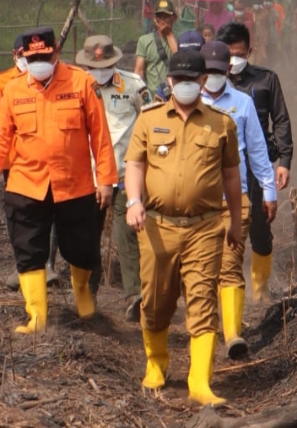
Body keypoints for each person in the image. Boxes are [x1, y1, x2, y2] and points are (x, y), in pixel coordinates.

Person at [0, 27, 118, 334]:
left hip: (74, 183)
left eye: (44, 57)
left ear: (56, 54)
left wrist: (105, 180)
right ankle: (37, 316)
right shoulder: (13, 91)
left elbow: (101, 137)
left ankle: (83, 298)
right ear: (23, 57)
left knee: (81, 246)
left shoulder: (82, 83)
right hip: (26, 183)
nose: (38, 62)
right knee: (29, 248)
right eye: (32, 57)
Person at [123, 50, 242, 405]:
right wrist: (133, 202)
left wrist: (235, 222)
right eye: (180, 80)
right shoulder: (149, 119)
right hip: (157, 227)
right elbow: (135, 164)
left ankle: (199, 382)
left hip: (205, 229)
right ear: (169, 82)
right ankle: (156, 365)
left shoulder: (222, 123)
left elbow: (232, 177)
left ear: (202, 81)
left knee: (203, 302)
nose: (186, 86)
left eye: (193, 80)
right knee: (157, 301)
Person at [199, 41, 277, 359]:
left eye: (220, 70)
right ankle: (205, 329)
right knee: (203, 268)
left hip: (235, 200)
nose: (215, 76)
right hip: (196, 203)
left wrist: (269, 192)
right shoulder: (188, 102)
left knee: (230, 266)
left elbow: (257, 151)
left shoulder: (243, 104)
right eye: (210, 71)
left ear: (227, 70)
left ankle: (232, 334)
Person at [217, 22, 294, 304]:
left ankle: (259, 292)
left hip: (256, 169)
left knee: (260, 228)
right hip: (220, 169)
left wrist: (284, 160)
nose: (232, 61)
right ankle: (224, 290)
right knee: (221, 229)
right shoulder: (211, 84)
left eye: (238, 54)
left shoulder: (265, 80)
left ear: (250, 50)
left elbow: (281, 120)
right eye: (227, 55)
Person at [76, 34, 150, 320]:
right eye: (96, 66)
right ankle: (87, 296)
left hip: (124, 174)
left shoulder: (133, 85)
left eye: (105, 64)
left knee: (127, 233)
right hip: (89, 176)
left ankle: (135, 296)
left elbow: (150, 121)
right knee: (87, 237)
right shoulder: (78, 86)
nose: (100, 70)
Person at [0, 34, 62, 292]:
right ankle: (23, 264)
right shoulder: (3, 83)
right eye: (20, 55)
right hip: (13, 163)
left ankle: (48, 263)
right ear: (14, 55)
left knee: (49, 211)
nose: (24, 60)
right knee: (18, 217)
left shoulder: (52, 78)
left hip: (43, 159)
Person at [134, 0, 178, 99]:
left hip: (175, 97)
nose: (163, 20)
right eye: (160, 16)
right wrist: (143, 97)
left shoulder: (179, 40)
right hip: (152, 98)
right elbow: (139, 72)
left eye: (166, 16)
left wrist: (169, 35)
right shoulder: (144, 41)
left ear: (174, 18)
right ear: (155, 19)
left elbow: (180, 62)